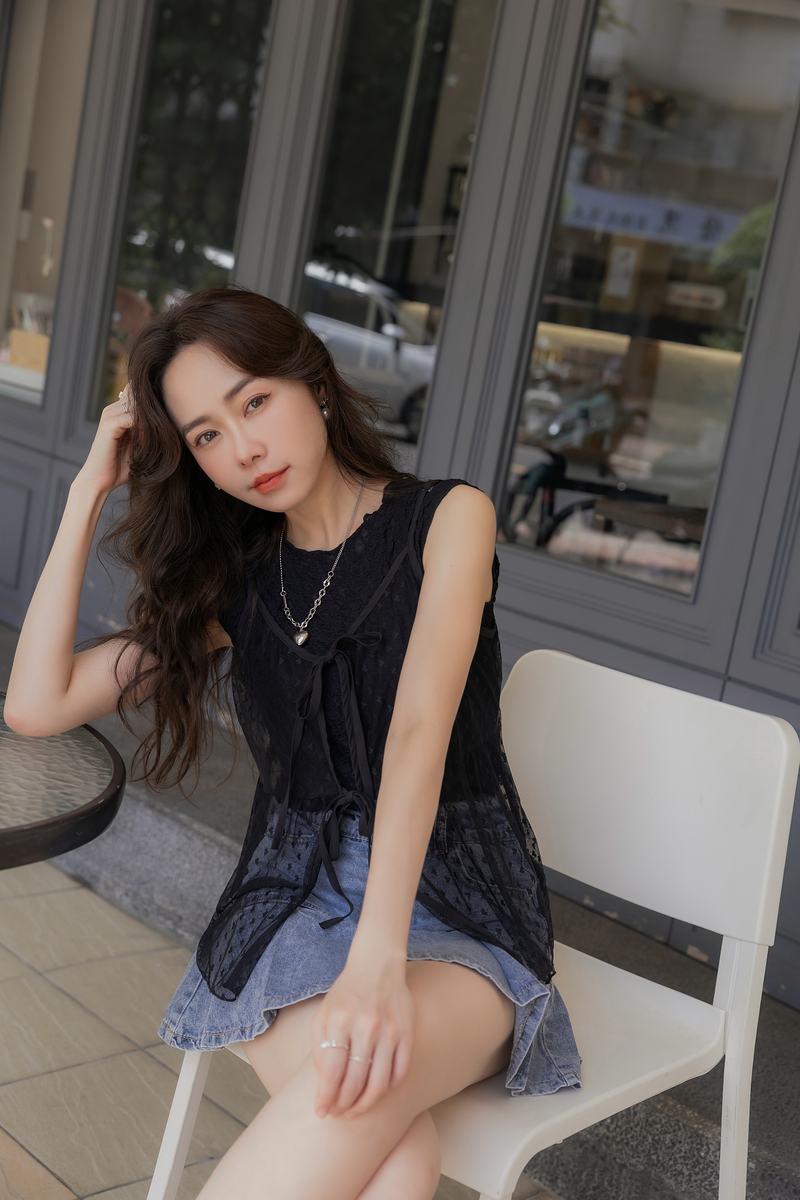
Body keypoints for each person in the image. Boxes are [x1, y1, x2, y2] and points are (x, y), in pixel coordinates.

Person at [5, 288, 580, 1200]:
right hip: (297, 900)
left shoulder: (447, 518)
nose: (243, 449)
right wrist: (87, 492)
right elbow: (39, 705)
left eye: (255, 402)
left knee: (360, 1108)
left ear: (312, 382)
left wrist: (378, 965)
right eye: (205, 435)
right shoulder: (242, 582)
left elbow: (419, 733)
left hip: (455, 900)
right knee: (394, 1159)